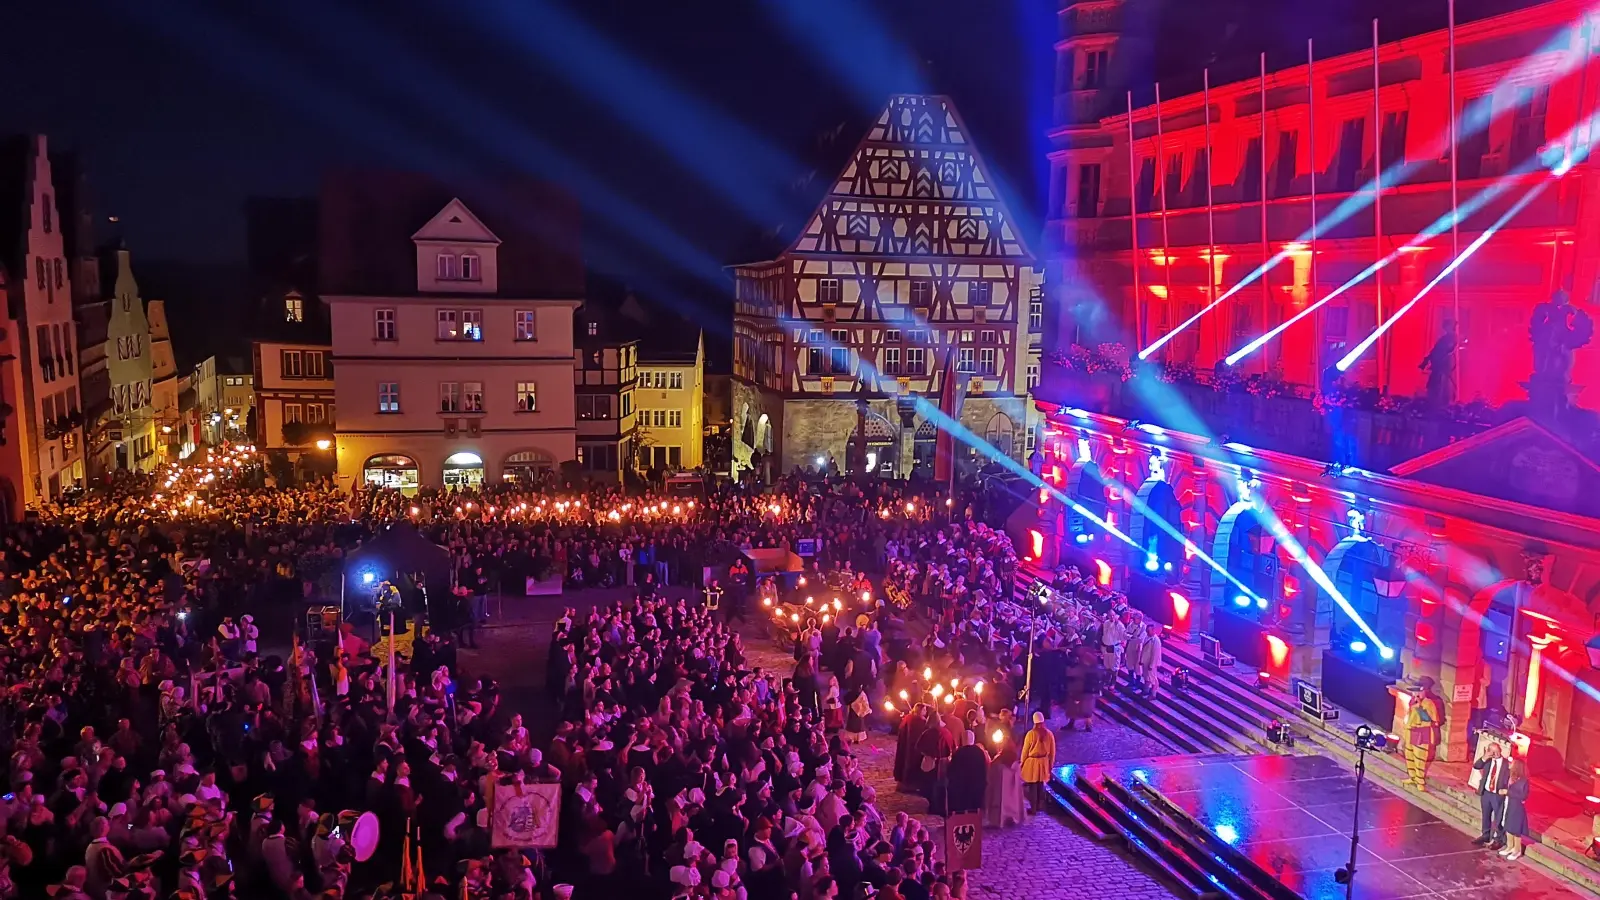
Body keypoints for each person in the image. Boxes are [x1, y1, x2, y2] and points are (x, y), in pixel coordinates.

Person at [1403, 678, 1443, 791]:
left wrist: (1419, 706)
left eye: (1417, 691)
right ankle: (1412, 776)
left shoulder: (1429, 703)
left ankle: (1420, 781)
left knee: (1420, 757)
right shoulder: (1412, 702)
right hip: (1410, 731)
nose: (1415, 694)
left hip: (1422, 732)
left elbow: (1432, 719)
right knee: (1409, 755)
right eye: (1413, 691)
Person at [1472, 743, 1511, 850]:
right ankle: (1485, 835)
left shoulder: (1506, 763)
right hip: (1486, 792)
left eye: (1497, 750)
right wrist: (1485, 757)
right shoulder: (1487, 761)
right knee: (1486, 815)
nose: (1496, 753)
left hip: (1497, 794)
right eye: (1493, 751)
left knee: (1498, 818)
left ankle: (1499, 839)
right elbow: (1476, 766)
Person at [1021, 711, 1056, 815]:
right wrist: (1050, 764)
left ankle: (1033, 808)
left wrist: (1022, 762)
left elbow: (1025, 750)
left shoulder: (1031, 734)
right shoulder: (1049, 734)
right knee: (1040, 785)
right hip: (1043, 762)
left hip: (1032, 763)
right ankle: (1040, 806)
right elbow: (1052, 751)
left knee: (1033, 786)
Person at [946, 731, 988, 815]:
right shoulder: (979, 752)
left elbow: (952, 770)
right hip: (976, 785)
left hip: (961, 787)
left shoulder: (959, 752)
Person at [1500, 759, 1531, 861]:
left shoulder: (1524, 781)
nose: (1510, 764)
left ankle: (1517, 850)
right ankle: (1510, 846)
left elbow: (1523, 796)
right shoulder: (1511, 777)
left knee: (1515, 829)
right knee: (1508, 826)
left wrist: (1508, 792)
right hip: (1509, 804)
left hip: (1517, 807)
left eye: (1512, 763)